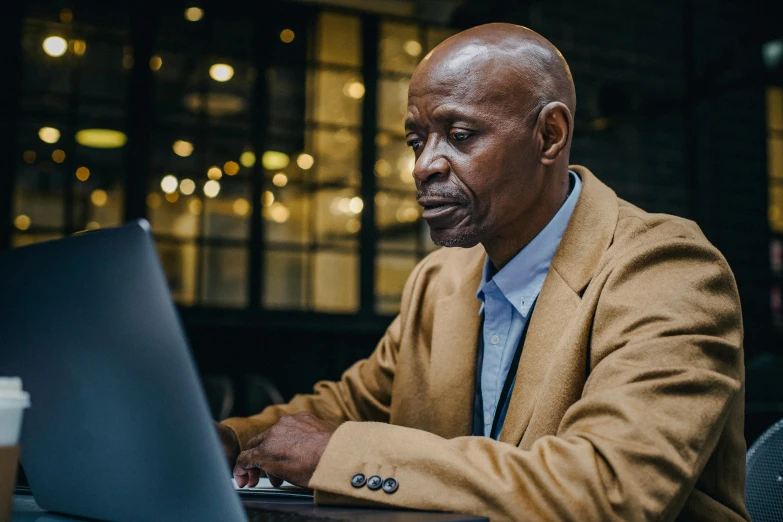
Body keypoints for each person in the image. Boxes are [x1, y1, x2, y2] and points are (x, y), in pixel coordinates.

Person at [216, 23, 748, 521]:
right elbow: (350, 403)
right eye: (417, 140)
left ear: (550, 135)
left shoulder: (668, 270)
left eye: (461, 134)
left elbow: (611, 490)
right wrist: (231, 440)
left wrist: (341, 453)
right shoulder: (440, 279)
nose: (424, 165)